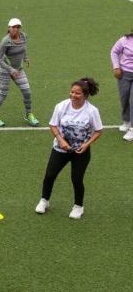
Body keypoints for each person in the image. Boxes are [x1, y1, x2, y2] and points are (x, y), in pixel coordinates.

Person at [35, 78, 102, 220]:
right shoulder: (61, 106)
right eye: (72, 92)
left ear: (85, 95)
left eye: (77, 93)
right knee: (50, 175)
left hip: (80, 152)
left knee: (77, 179)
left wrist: (86, 144)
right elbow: (53, 125)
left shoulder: (92, 111)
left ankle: (78, 206)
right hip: (60, 149)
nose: (73, 95)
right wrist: (60, 140)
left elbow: (98, 131)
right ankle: (44, 200)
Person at [0, 18, 39, 127]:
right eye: (13, 27)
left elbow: (23, 48)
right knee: (3, 93)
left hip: (18, 70)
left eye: (18, 27)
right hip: (5, 70)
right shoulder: (6, 41)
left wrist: (25, 58)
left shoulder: (23, 36)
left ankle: (28, 114)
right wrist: (11, 70)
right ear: (9, 28)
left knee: (27, 91)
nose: (15, 29)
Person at [109, 30, 133, 141]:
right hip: (124, 74)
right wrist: (116, 67)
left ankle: (132, 128)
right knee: (124, 97)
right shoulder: (125, 40)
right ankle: (127, 121)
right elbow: (114, 51)